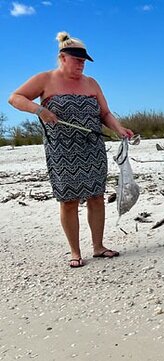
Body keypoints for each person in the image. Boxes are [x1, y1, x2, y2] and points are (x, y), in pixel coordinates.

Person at [8, 31, 134, 268]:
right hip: (62, 151)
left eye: (84, 61)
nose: (82, 65)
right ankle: (75, 252)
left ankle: (98, 247)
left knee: (97, 196)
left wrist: (119, 128)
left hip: (92, 148)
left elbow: (104, 113)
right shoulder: (45, 79)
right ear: (63, 57)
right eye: (77, 60)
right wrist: (39, 110)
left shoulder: (91, 83)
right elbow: (15, 98)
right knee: (69, 201)